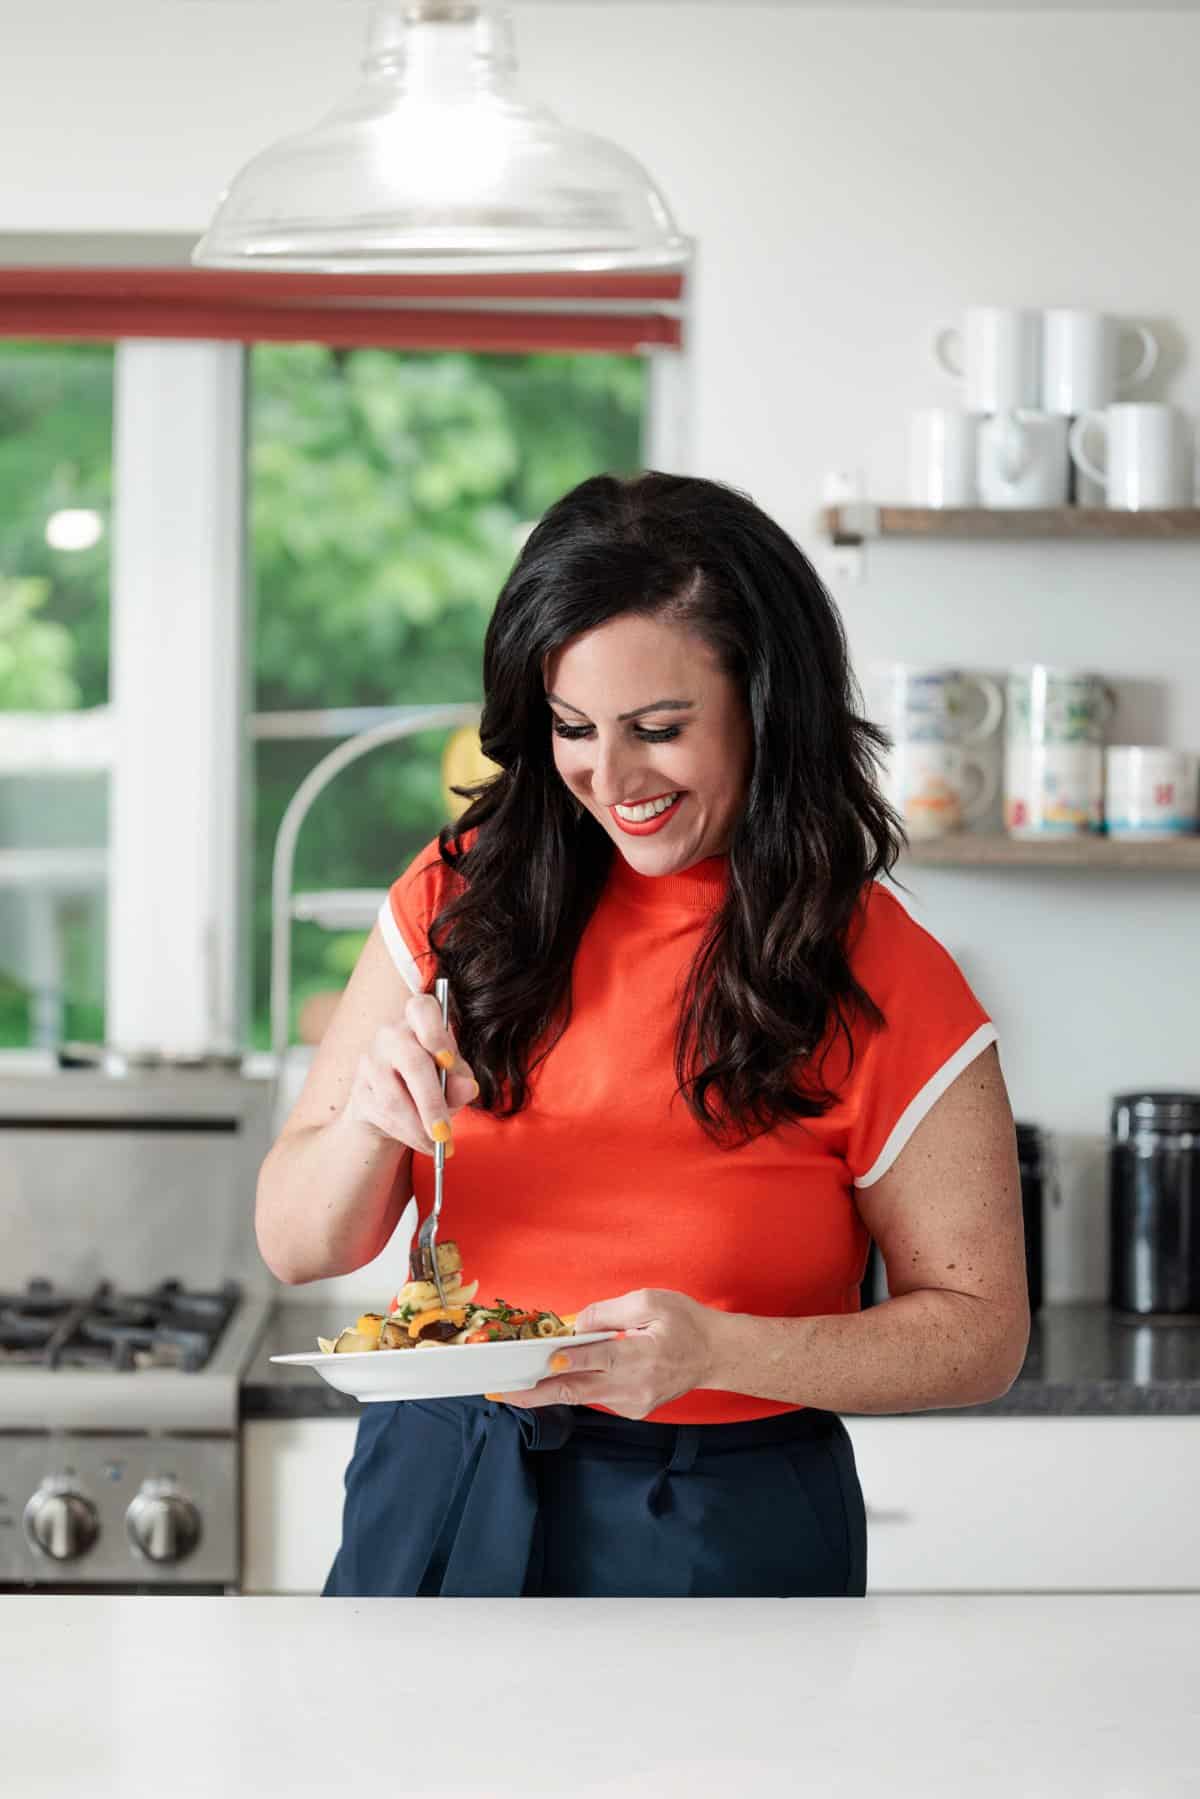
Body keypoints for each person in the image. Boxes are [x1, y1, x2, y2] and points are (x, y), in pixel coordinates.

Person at [255, 471, 1030, 1598]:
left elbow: (978, 1332)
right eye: (573, 727)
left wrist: (718, 1350)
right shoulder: (458, 900)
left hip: (721, 1516)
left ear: (766, 707)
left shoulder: (876, 966)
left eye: (658, 730)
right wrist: (372, 1123)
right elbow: (297, 1243)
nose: (610, 780)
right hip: (440, 1478)